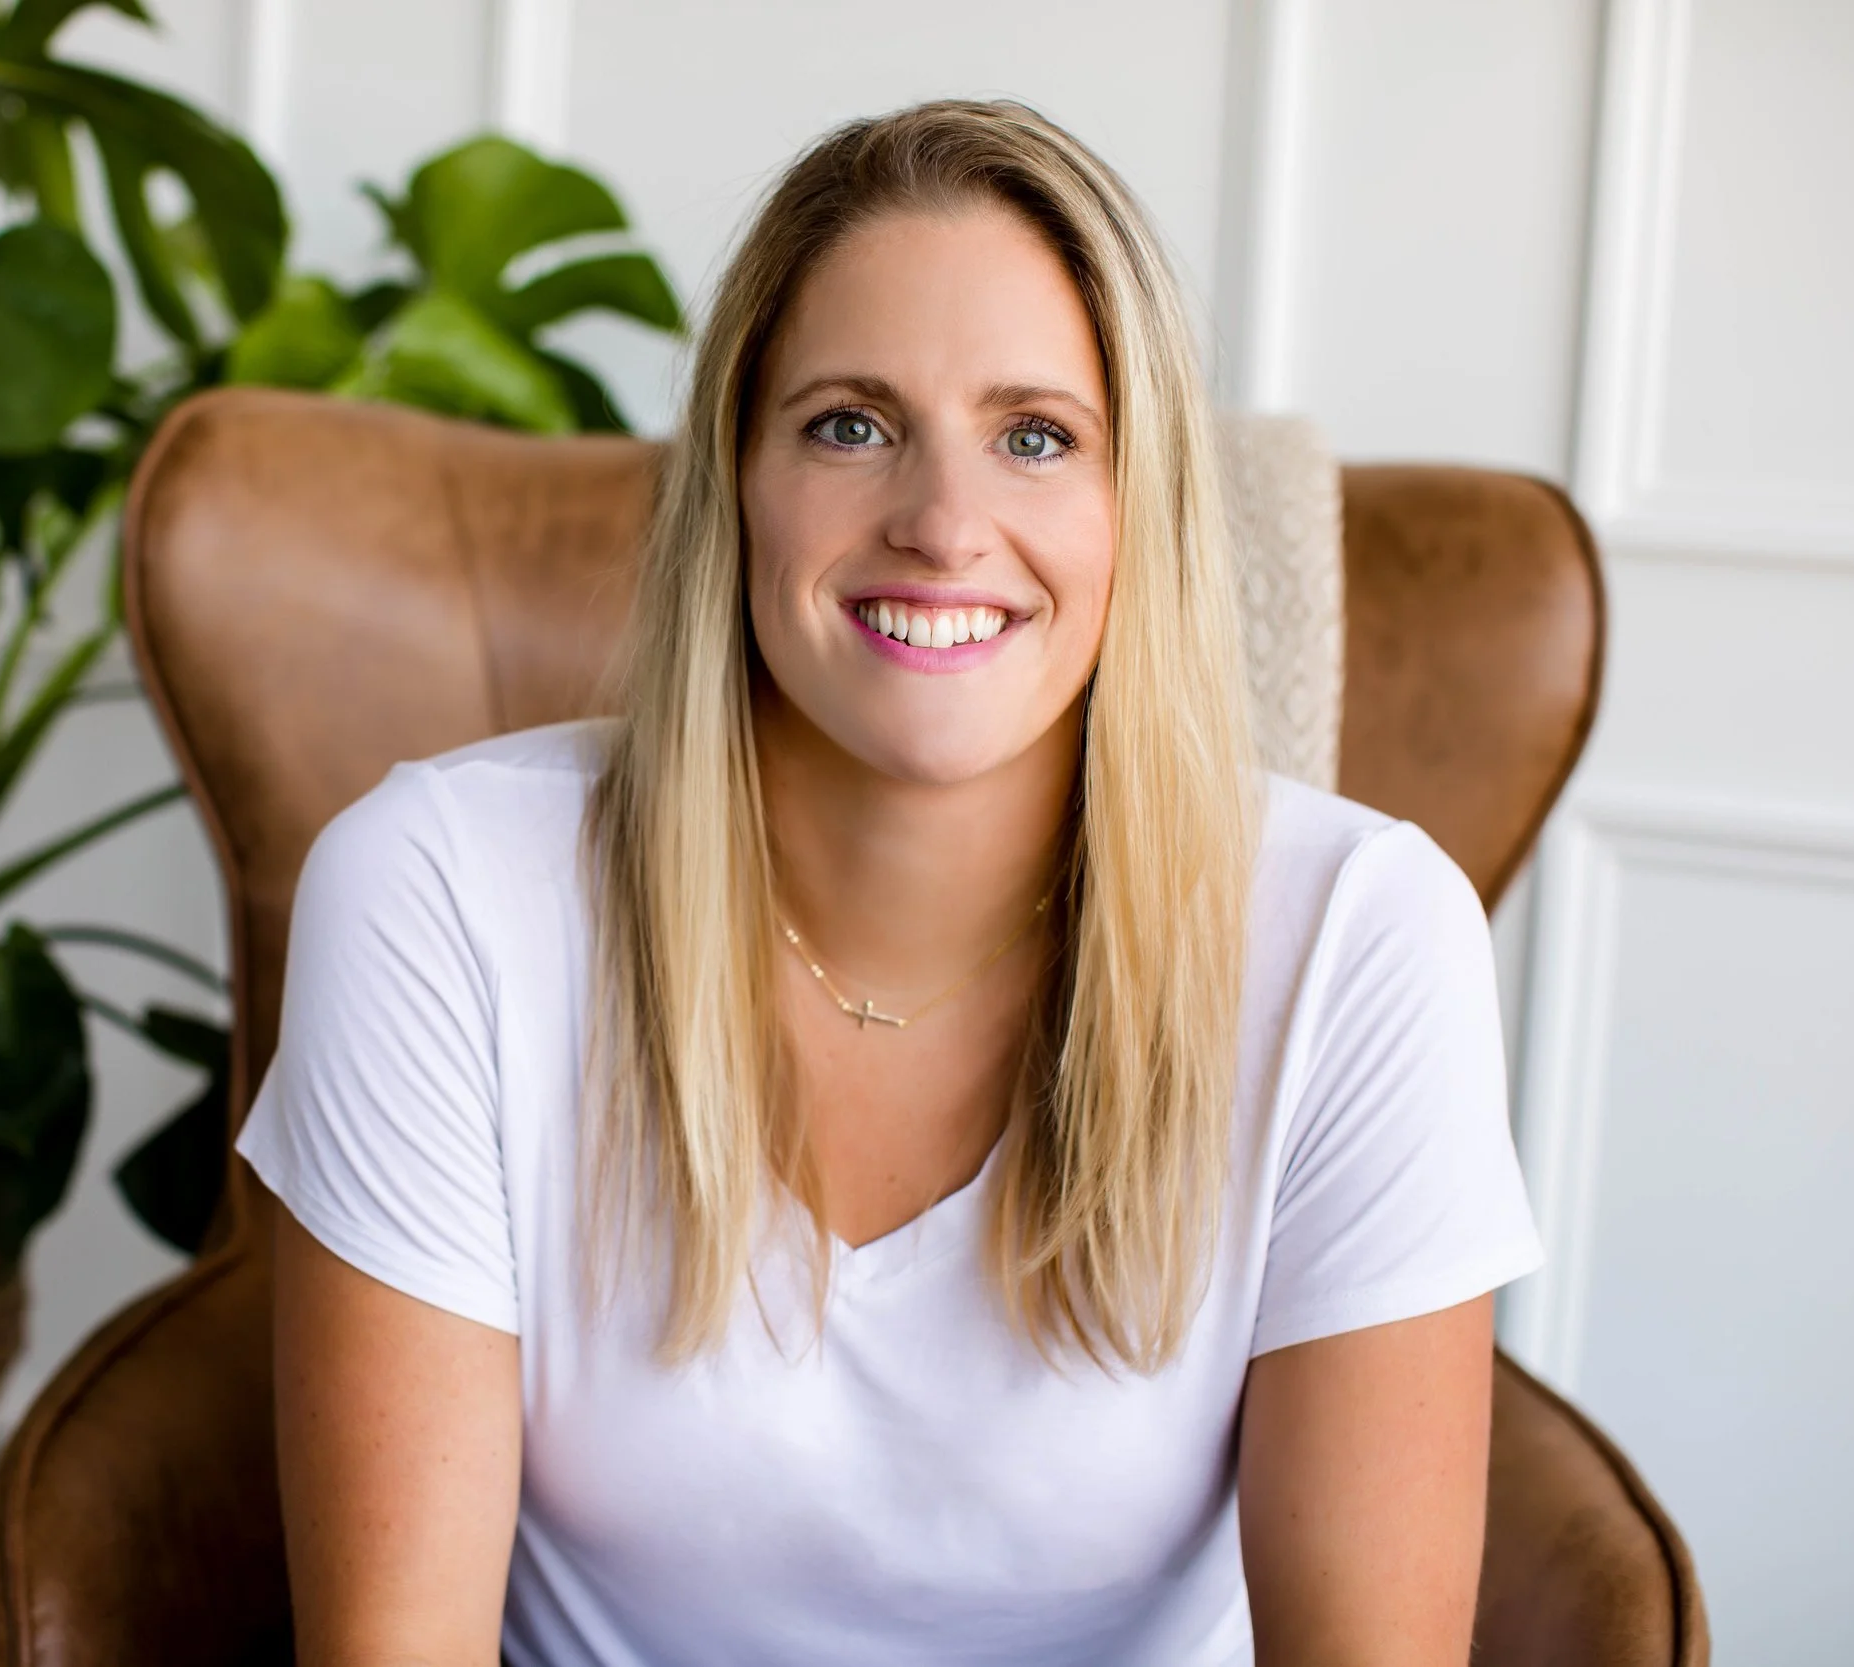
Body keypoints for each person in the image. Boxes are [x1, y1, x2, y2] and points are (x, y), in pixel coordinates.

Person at [235, 99, 1541, 1666]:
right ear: (736, 478)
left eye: (1036, 436)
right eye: (851, 424)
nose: (941, 525)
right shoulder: (440, 893)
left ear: (1141, 508)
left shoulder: (1358, 938)